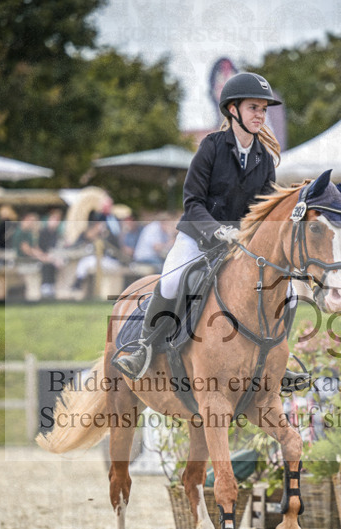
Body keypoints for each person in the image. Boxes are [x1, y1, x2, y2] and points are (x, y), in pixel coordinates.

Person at [113, 72, 282, 380]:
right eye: (254, 108)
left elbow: (266, 211)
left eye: (263, 109)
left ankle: (277, 359)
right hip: (199, 238)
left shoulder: (264, 159)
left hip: (239, 246)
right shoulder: (211, 147)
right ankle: (144, 348)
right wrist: (218, 230)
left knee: (279, 289)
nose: (260, 115)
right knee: (173, 281)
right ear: (233, 110)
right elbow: (192, 202)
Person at [15, 212, 63, 298]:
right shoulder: (21, 232)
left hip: (31, 262)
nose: (32, 223)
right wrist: (43, 257)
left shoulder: (29, 233)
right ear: (24, 220)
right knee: (33, 288)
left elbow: (35, 248)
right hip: (25, 263)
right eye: (30, 220)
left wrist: (45, 257)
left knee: (35, 286)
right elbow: (27, 250)